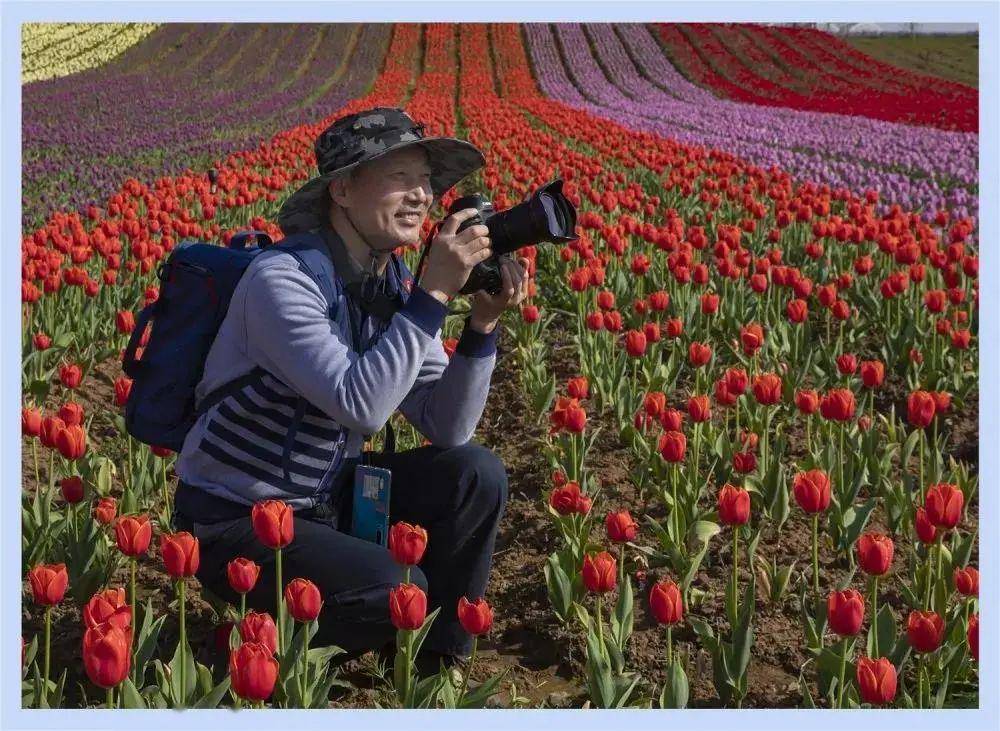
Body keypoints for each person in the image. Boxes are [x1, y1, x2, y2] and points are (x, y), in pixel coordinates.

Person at [171, 107, 529, 675]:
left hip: (328, 503)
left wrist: (481, 326)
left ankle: (435, 666)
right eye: (399, 177)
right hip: (240, 521)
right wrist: (433, 296)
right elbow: (361, 405)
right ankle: (249, 654)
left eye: (427, 183)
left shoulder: (389, 285)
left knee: (474, 472)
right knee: (396, 589)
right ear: (341, 189)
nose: (421, 197)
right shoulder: (282, 280)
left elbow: (448, 425)